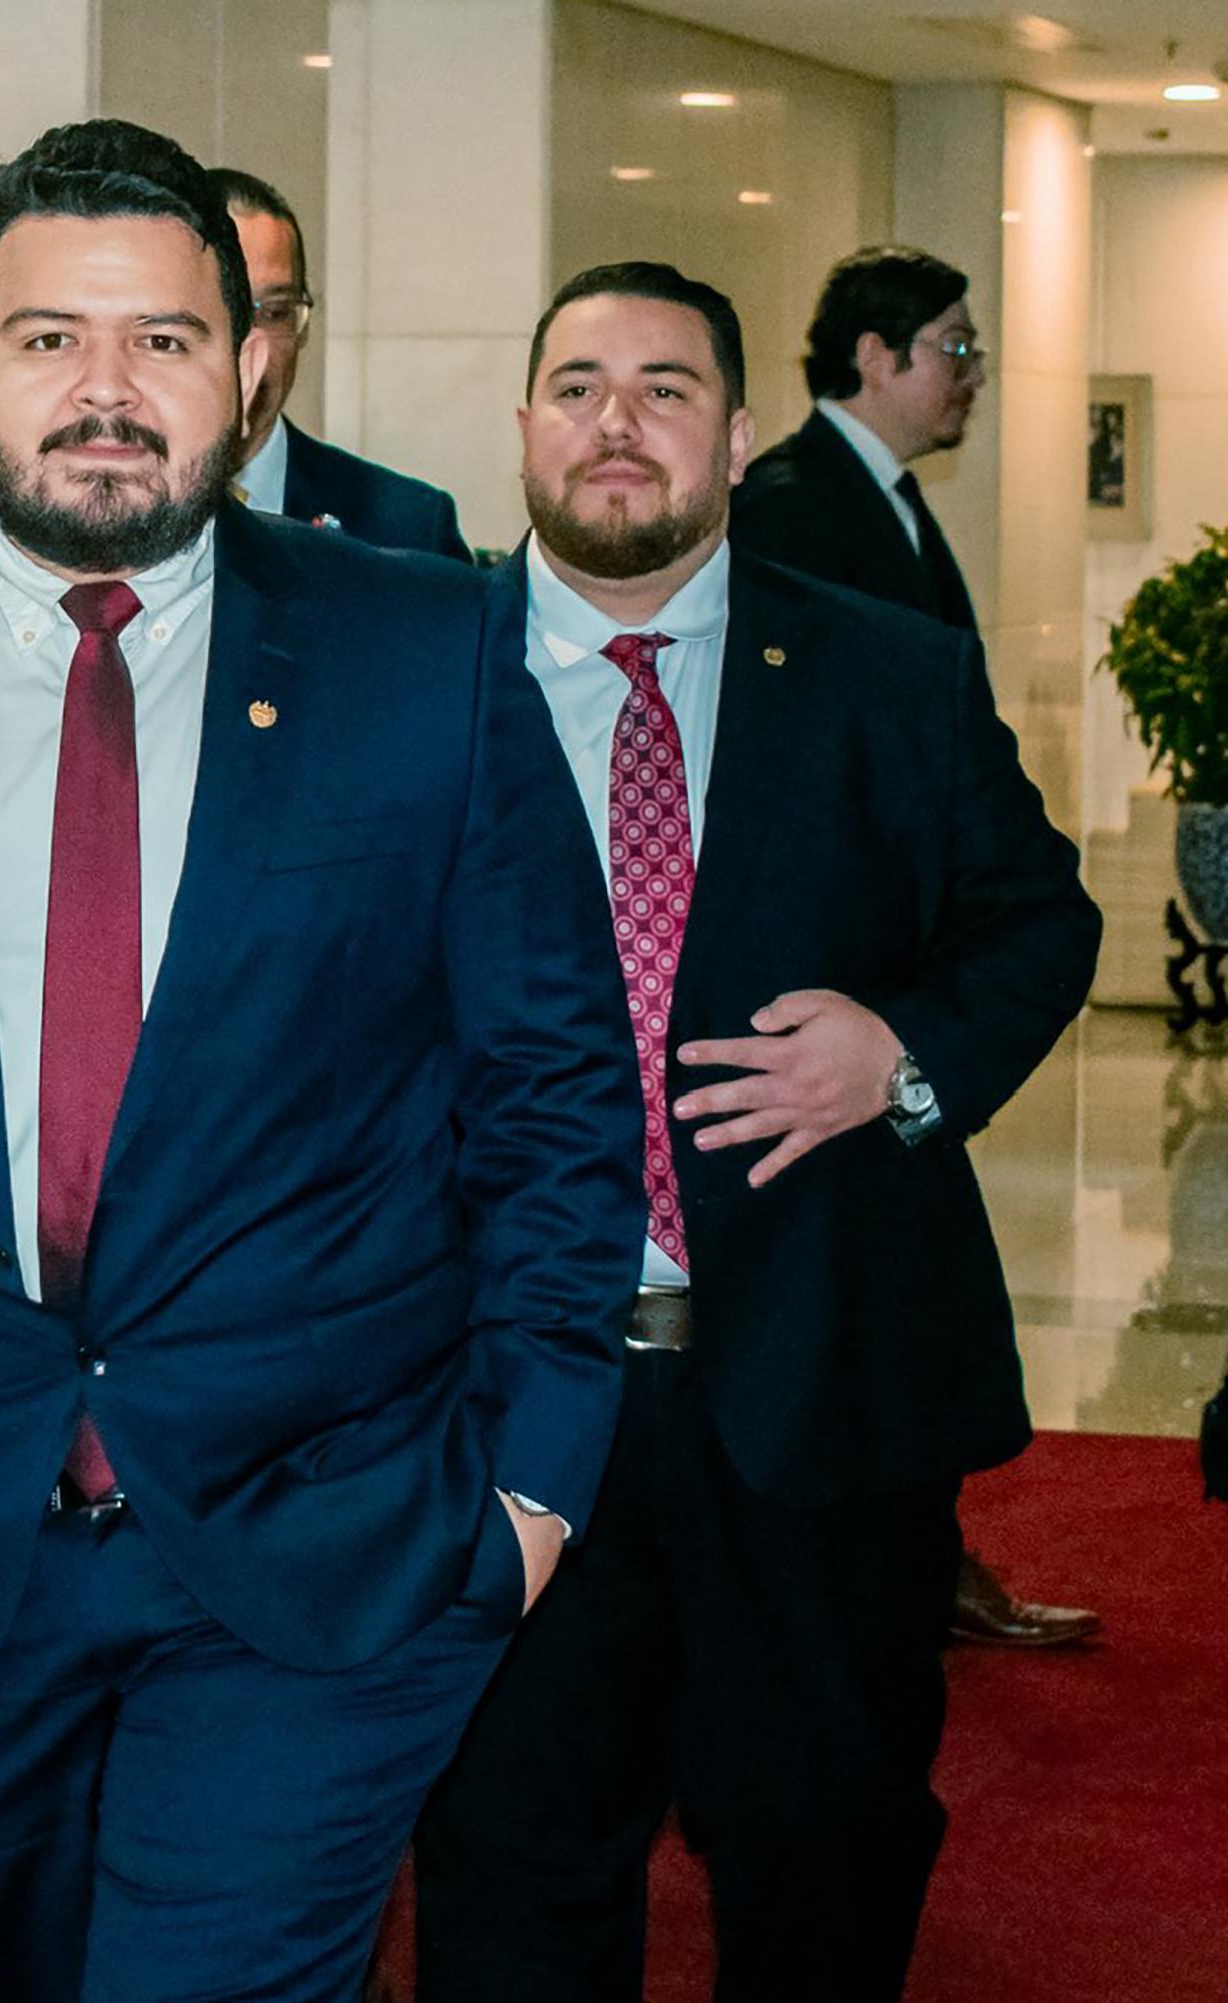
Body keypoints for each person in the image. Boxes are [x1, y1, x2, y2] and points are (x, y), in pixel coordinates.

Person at [0, 118, 642, 2002]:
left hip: (332, 1544)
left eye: (164, 340)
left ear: (249, 367)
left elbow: (557, 1088)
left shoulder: (422, 653)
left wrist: (532, 1490)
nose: (105, 391)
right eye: (48, 340)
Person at [411, 263, 1104, 2003]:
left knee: (825, 1853)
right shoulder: (403, 684)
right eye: (576, 385)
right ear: (521, 431)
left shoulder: (891, 672)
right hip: (500, 1398)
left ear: (734, 430)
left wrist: (905, 1053)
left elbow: (1038, 921)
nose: (616, 423)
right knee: (512, 1865)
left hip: (823, 1383)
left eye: (663, 386)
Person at [729, 245, 1098, 1649]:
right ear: (872, 359)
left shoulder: (887, 502)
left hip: (897, 1005)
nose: (973, 372)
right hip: (809, 1002)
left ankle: (919, 1556)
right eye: (952, 345)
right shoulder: (797, 506)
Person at [213, 167, 472, 561]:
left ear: (304, 328)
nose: (254, 345)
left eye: (276, 313)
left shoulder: (406, 528)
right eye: (227, 310)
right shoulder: (102, 506)